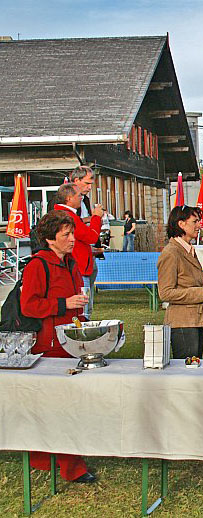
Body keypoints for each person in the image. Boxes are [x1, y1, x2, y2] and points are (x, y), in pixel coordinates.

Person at [21, 210, 95, 483]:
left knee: (66, 407)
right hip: (48, 348)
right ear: (50, 240)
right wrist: (64, 304)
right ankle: (69, 467)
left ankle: (46, 459)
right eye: (67, 235)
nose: (73, 239)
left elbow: (75, 301)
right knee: (58, 407)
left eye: (72, 233)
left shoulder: (72, 263)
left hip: (70, 344)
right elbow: (29, 306)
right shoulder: (37, 266)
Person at [157, 206, 203, 359]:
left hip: (195, 321)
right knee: (186, 372)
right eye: (195, 221)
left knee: (195, 368)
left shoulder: (187, 249)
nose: (199, 225)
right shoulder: (171, 253)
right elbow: (165, 293)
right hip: (183, 323)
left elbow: (188, 282)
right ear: (181, 224)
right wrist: (201, 293)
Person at [53, 183, 103, 320]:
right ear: (69, 198)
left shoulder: (63, 214)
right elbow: (91, 236)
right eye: (79, 195)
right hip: (80, 268)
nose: (81, 198)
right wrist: (96, 217)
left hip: (80, 265)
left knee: (83, 307)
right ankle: (83, 334)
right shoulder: (68, 216)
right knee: (83, 309)